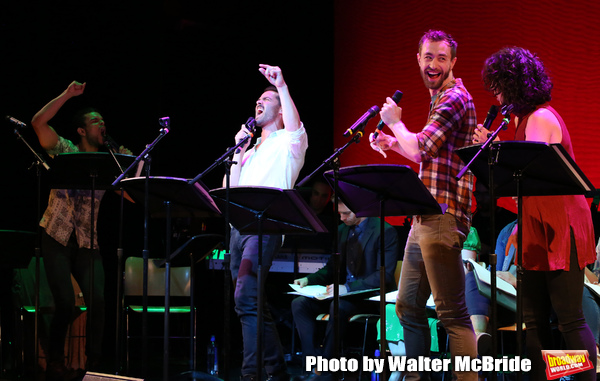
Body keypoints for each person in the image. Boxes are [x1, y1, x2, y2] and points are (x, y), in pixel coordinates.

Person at [473, 46, 597, 380]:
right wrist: (519, 228)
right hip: (535, 223)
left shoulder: (541, 117)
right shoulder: (522, 121)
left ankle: (584, 374)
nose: (496, 94)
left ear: (515, 85)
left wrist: (495, 152)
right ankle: (552, 376)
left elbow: (530, 175)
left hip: (560, 224)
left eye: (500, 86)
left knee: (569, 318)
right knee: (532, 319)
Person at [369, 29, 478, 380]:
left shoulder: (454, 98)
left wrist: (396, 124)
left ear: (453, 63)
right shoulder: (440, 98)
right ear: (418, 58)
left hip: (443, 216)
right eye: (428, 57)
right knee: (408, 307)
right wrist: (392, 141)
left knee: (453, 315)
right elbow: (426, 153)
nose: (434, 64)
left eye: (441, 58)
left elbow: (419, 148)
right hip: (424, 218)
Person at [30, 81, 132, 380]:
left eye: (103, 120)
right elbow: (38, 123)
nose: (102, 124)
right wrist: (67, 94)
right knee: (64, 302)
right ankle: (55, 360)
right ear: (82, 131)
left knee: (98, 300)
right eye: (95, 121)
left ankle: (94, 363)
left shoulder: (111, 163)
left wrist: (130, 167)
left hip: (88, 241)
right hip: (55, 235)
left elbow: (132, 195)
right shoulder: (65, 150)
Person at [227, 64, 308, 381]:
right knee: (248, 301)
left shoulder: (289, 144)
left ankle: (251, 373)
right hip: (239, 227)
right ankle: (275, 370)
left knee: (245, 296)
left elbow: (294, 124)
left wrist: (282, 86)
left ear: (280, 110)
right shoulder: (251, 149)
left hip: (265, 225)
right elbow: (231, 189)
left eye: (266, 98)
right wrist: (238, 151)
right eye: (257, 99)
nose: (259, 102)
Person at [291, 199, 399, 380]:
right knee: (299, 303)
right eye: (339, 214)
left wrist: (347, 288)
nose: (341, 218)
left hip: (367, 298)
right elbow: (331, 268)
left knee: (338, 306)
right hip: (341, 295)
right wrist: (309, 279)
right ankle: (312, 364)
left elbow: (383, 276)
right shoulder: (343, 231)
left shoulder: (385, 231)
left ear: (360, 209)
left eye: (346, 214)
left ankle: (326, 370)